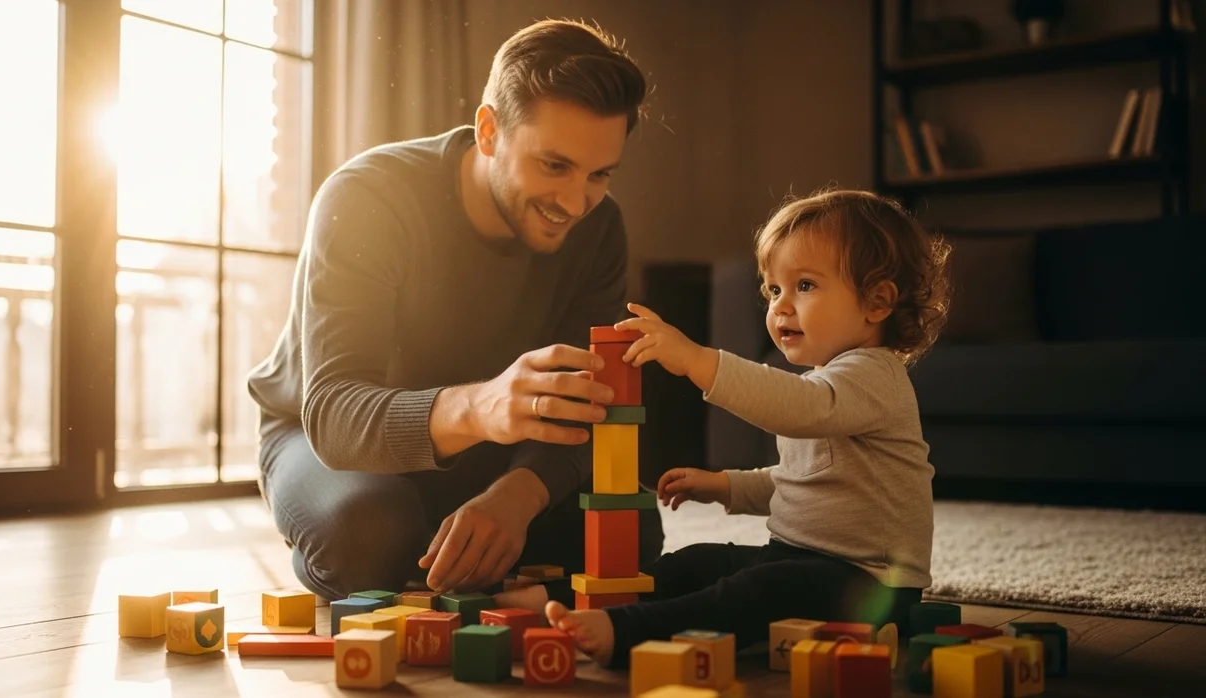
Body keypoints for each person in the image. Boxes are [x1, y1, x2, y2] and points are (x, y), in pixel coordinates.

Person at [246, 18, 664, 602]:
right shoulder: (368, 197)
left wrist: (518, 496)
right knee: (367, 539)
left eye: (598, 174)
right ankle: (403, 540)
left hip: (488, 445)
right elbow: (334, 415)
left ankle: (454, 539)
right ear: (489, 132)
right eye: (554, 165)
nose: (575, 204)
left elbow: (582, 405)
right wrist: (480, 407)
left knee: (629, 533)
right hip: (323, 438)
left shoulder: (600, 228)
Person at [499, 187, 952, 667]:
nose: (780, 306)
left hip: (870, 584)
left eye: (804, 285)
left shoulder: (874, 376)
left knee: (753, 592)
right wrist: (725, 485)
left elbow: (801, 408)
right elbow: (809, 484)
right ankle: (562, 599)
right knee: (697, 562)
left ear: (877, 301)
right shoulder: (829, 384)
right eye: (773, 290)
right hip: (798, 559)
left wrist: (696, 360)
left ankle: (625, 629)